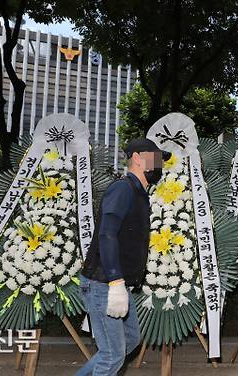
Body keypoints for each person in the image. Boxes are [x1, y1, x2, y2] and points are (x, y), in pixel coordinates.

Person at [77, 138, 164, 375]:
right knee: (113, 355)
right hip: (103, 283)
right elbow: (107, 235)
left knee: (130, 340)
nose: (160, 165)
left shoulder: (138, 193)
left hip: (116, 284)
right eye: (156, 158)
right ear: (137, 158)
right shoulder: (123, 189)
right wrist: (115, 282)